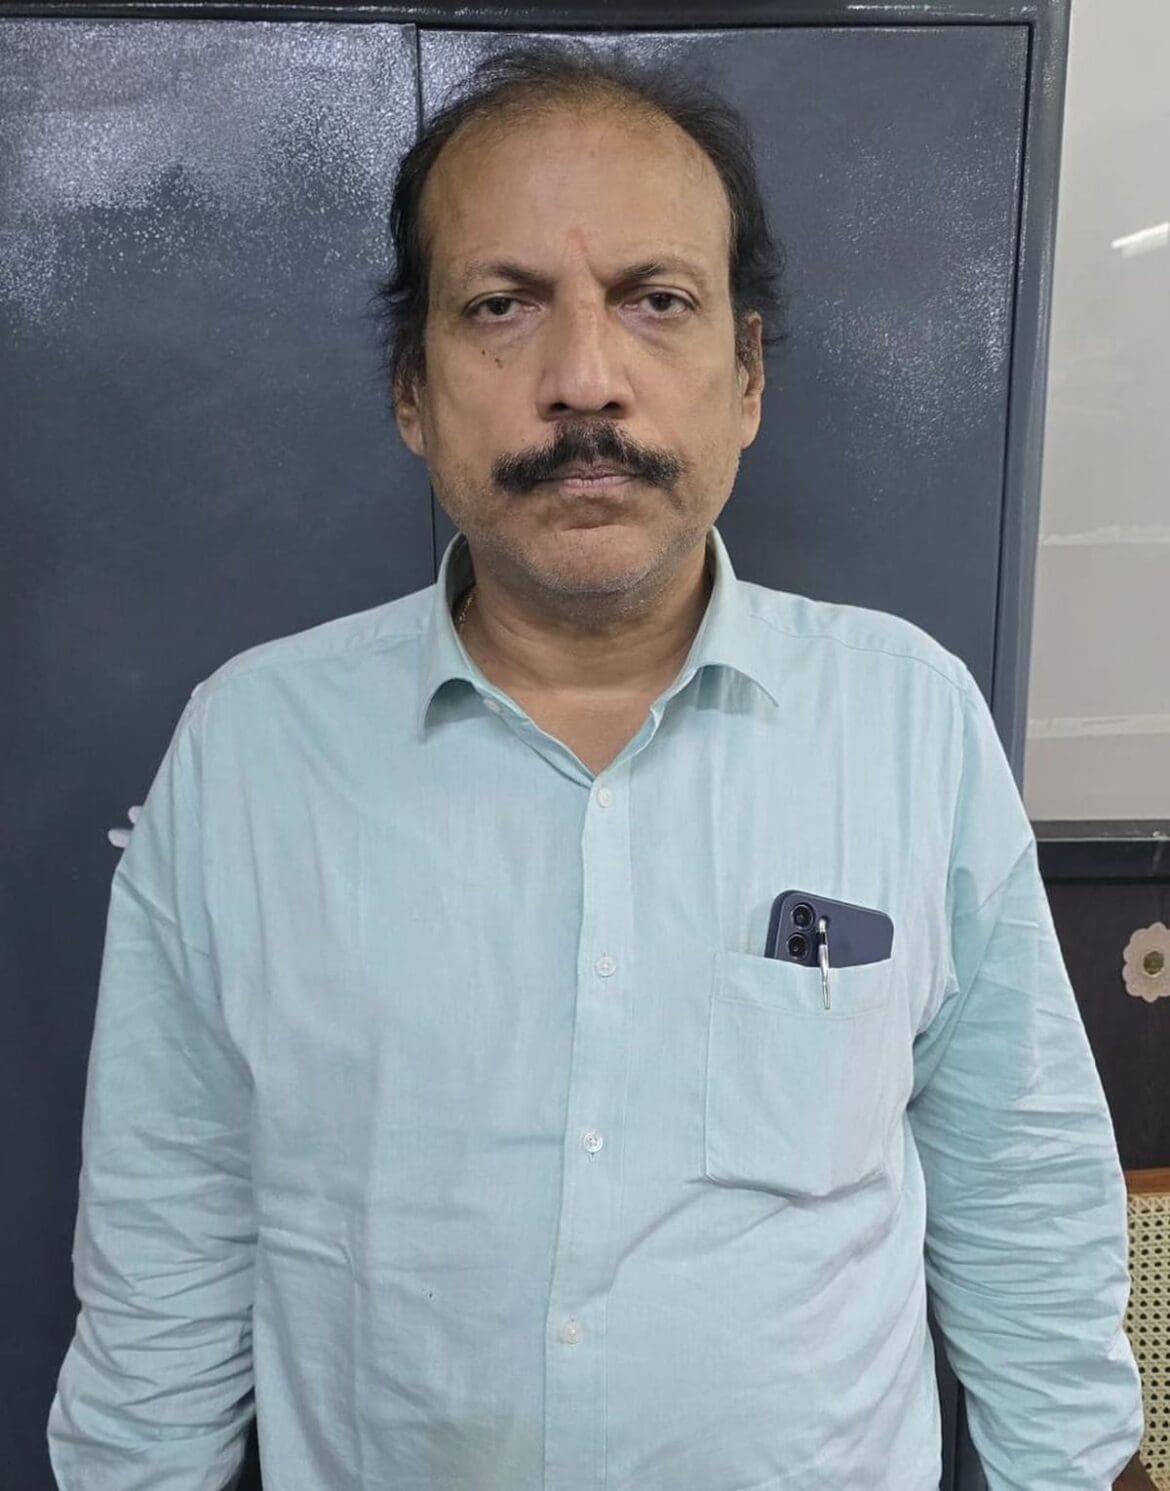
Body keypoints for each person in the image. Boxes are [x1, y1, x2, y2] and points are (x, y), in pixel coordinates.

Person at [48, 40, 1144, 1491]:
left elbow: (1020, 1193)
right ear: (412, 391)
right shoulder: (252, 752)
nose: (583, 382)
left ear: (745, 380)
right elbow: (166, 1242)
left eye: (656, 301)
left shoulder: (905, 721)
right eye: (501, 307)